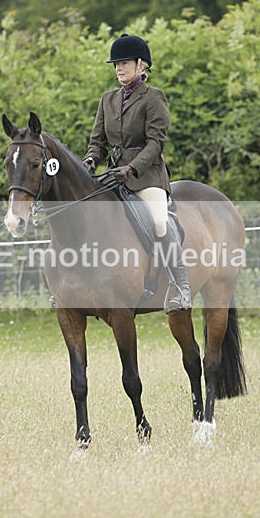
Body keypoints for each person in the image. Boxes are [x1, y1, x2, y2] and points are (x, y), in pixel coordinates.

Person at [83, 34, 191, 314]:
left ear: (142, 65)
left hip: (146, 177)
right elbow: (98, 141)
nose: (119, 68)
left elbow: (156, 143)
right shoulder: (107, 99)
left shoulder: (153, 98)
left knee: (158, 221)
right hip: (114, 176)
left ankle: (181, 287)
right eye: (116, 64)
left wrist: (132, 168)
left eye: (125, 63)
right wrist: (91, 160)